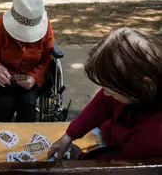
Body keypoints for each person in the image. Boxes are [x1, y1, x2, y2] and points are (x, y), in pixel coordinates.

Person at [48, 27, 162, 161]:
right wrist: (69, 135)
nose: (106, 93)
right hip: (111, 138)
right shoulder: (132, 87)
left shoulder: (153, 135)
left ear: (145, 86)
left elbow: (119, 164)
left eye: (111, 88)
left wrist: (80, 157)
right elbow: (102, 103)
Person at [0, 0, 54, 122]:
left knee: (27, 106)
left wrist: (34, 78)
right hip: (3, 77)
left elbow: (47, 60)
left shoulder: (47, 28)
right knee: (3, 105)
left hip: (31, 75)